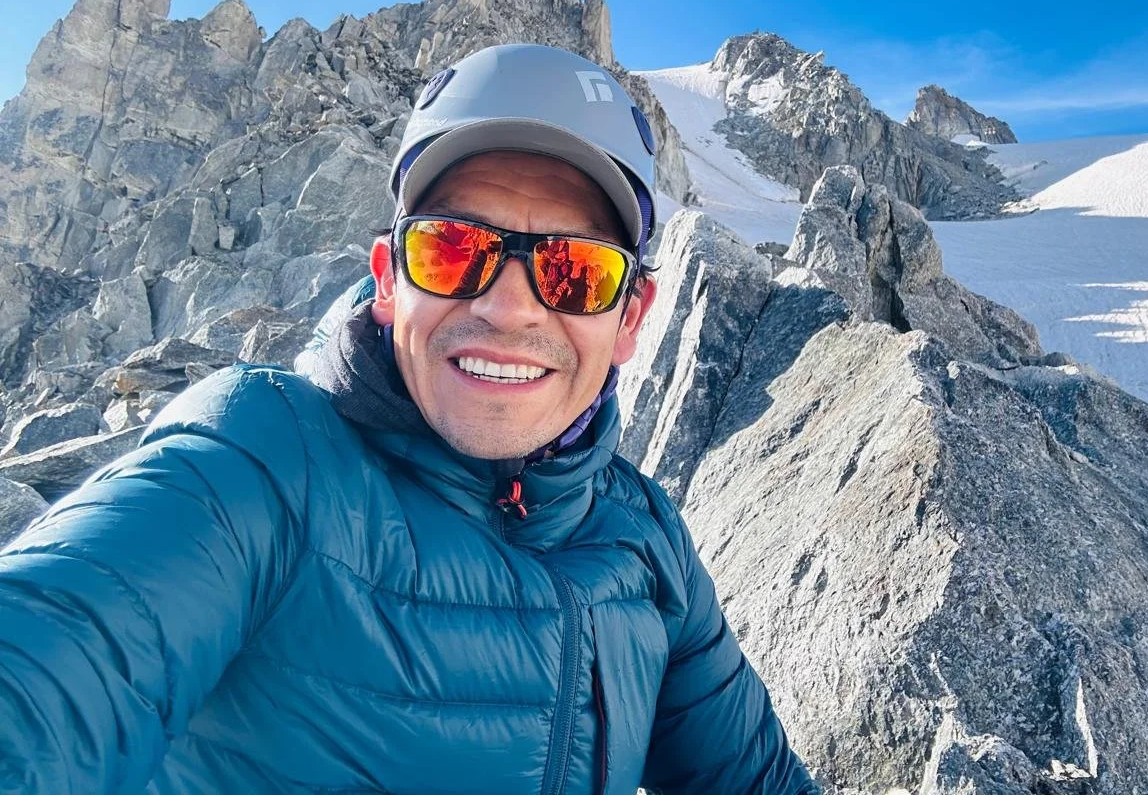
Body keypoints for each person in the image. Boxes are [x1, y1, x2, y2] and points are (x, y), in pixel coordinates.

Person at [0, 44, 819, 794]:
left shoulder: (646, 538)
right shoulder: (263, 458)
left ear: (631, 319)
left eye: (574, 271)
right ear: (390, 280)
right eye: (453, 249)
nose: (507, 307)